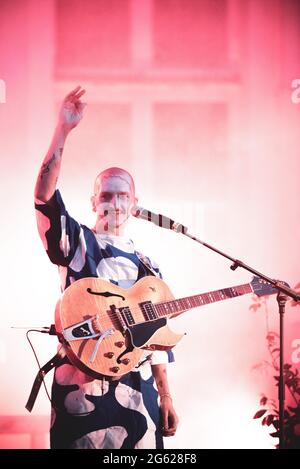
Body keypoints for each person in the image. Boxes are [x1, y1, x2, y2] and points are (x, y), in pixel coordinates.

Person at [34, 86, 179, 449]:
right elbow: (44, 197)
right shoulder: (78, 243)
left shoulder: (148, 265)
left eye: (122, 196)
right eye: (106, 195)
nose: (114, 203)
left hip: (137, 391)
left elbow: (158, 336)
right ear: (93, 202)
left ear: (135, 204)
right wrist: (62, 131)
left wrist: (166, 395)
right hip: (83, 389)